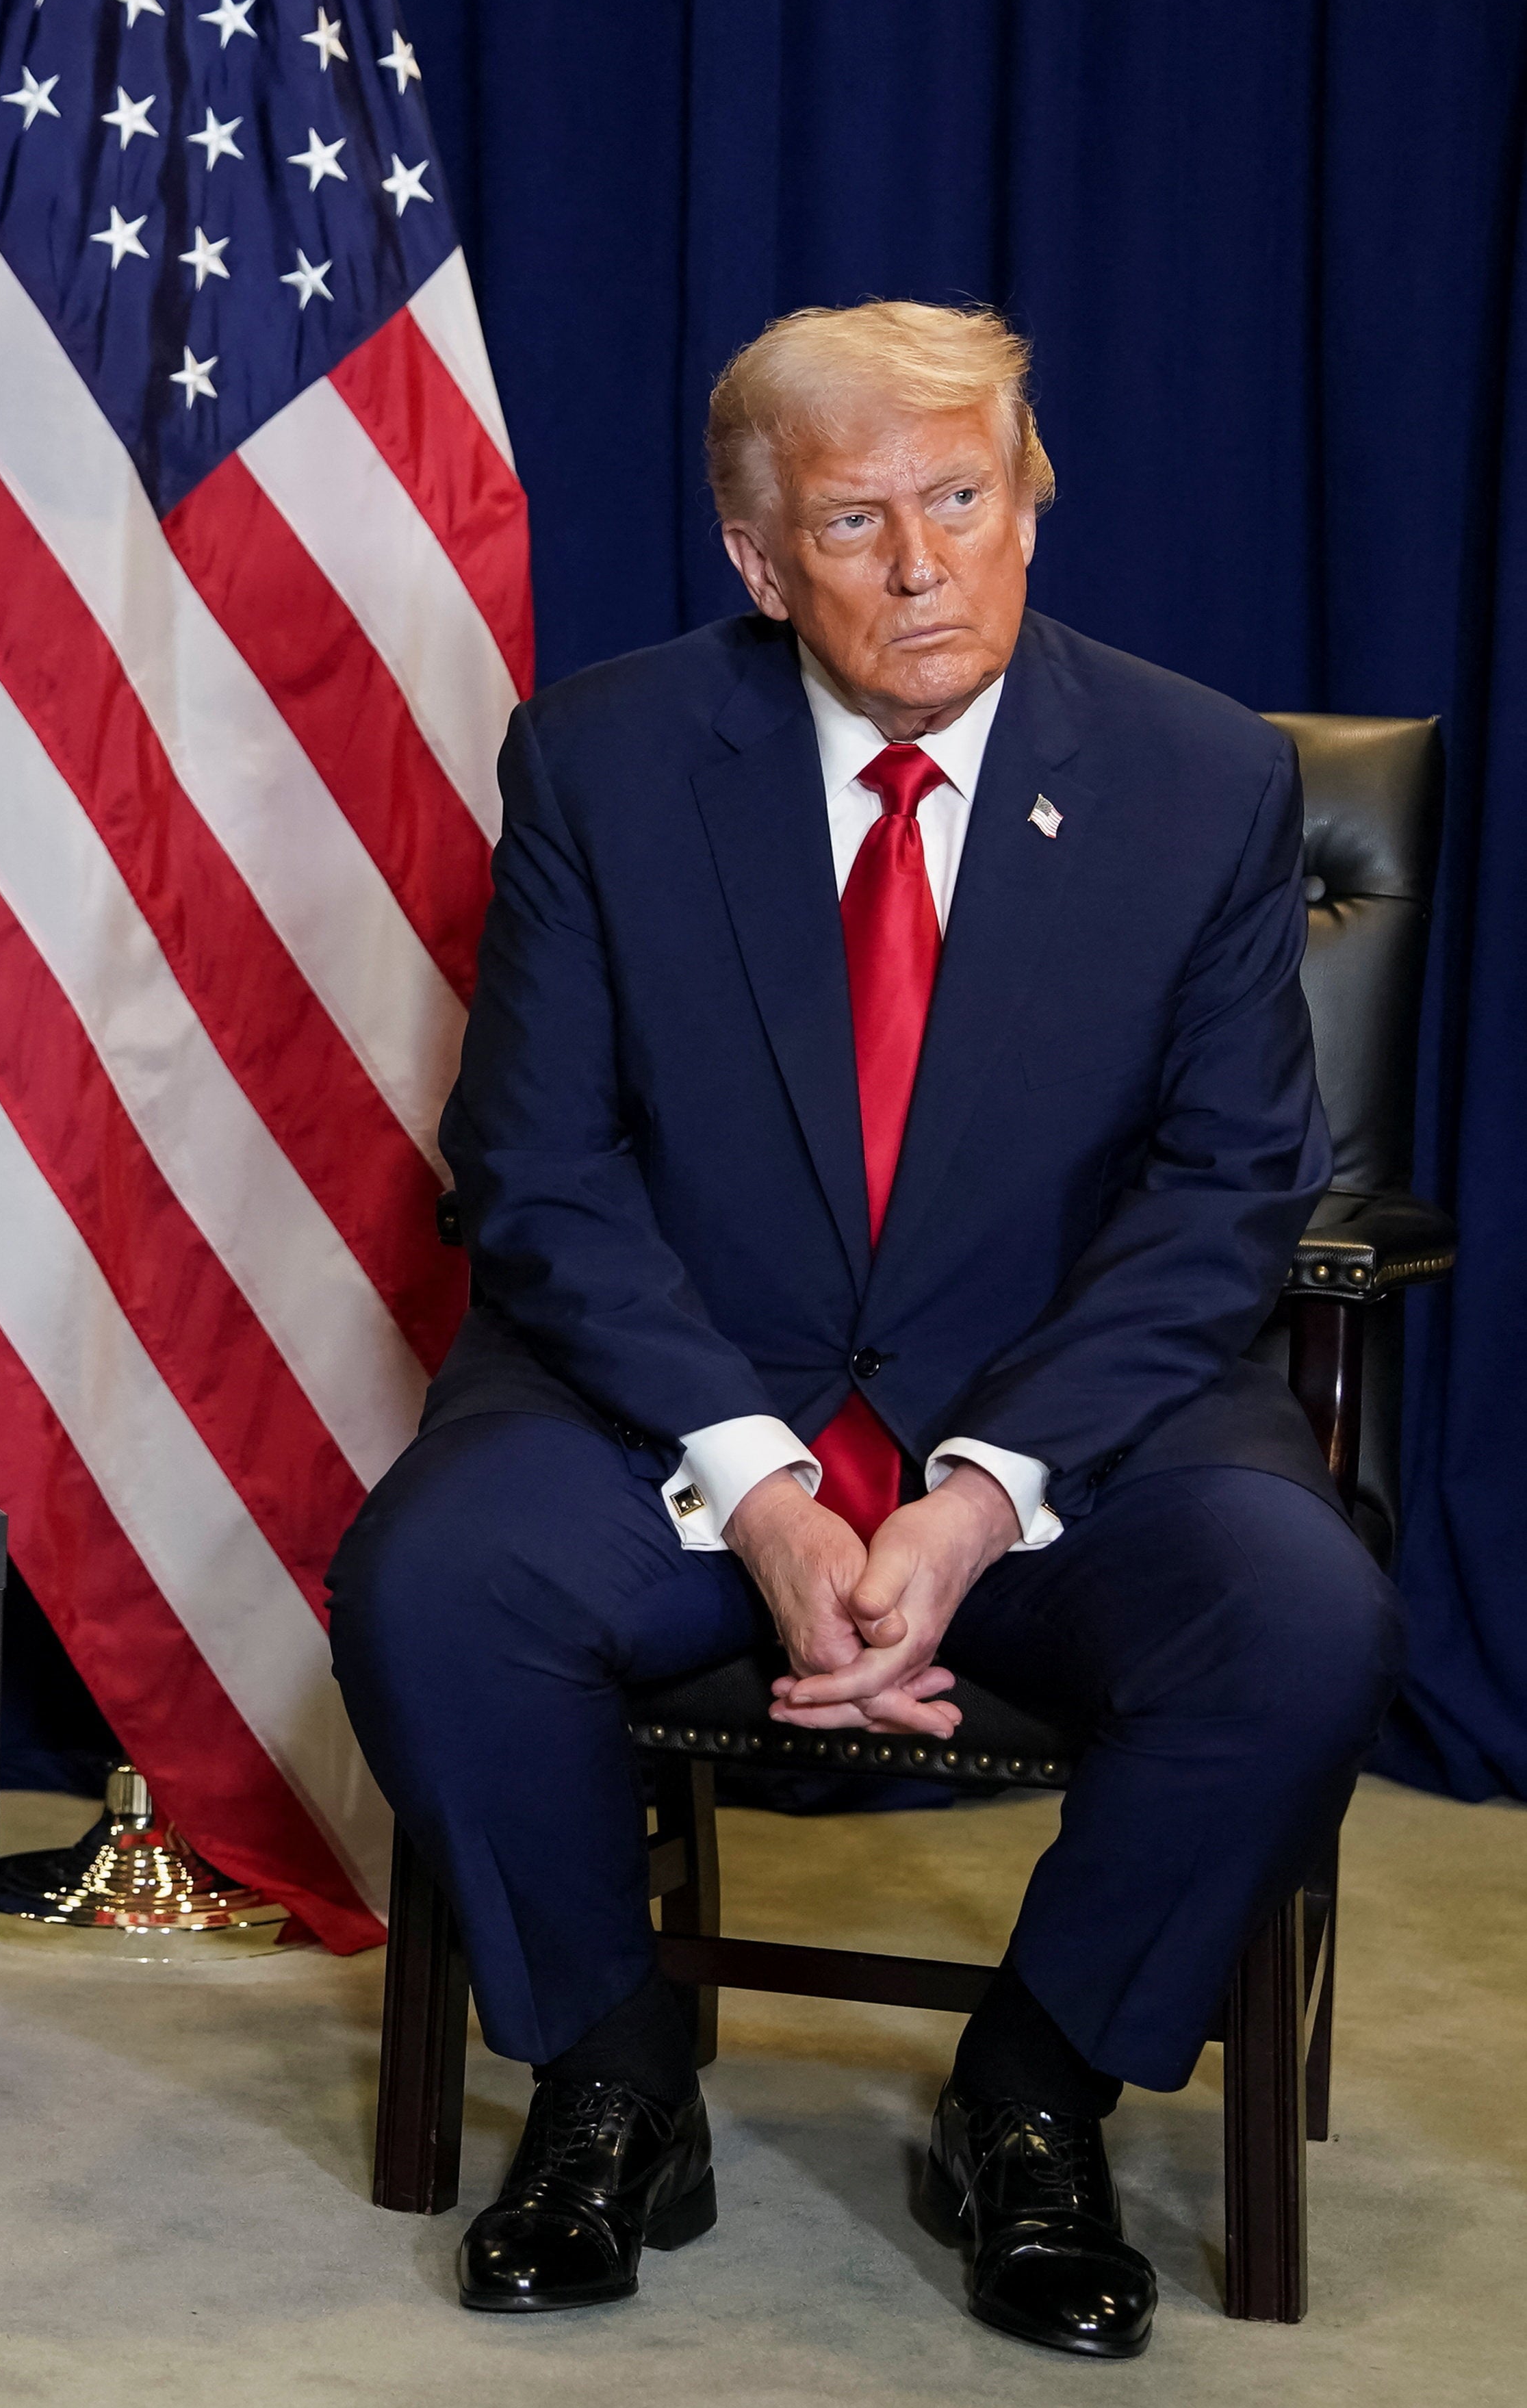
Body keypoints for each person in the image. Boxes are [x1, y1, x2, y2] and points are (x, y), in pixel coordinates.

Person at [326, 302, 1401, 2359]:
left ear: (1029, 500)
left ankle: (1033, 2093)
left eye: (962, 497)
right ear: (755, 559)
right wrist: (754, 1482)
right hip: (677, 1397)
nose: (920, 564)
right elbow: (531, 1171)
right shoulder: (605, 756)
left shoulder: (1197, 778)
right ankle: (615, 2081)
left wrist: (986, 1488)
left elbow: (1221, 1193)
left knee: (1300, 1616)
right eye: (851, 520)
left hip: (1077, 1416)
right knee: (436, 1579)